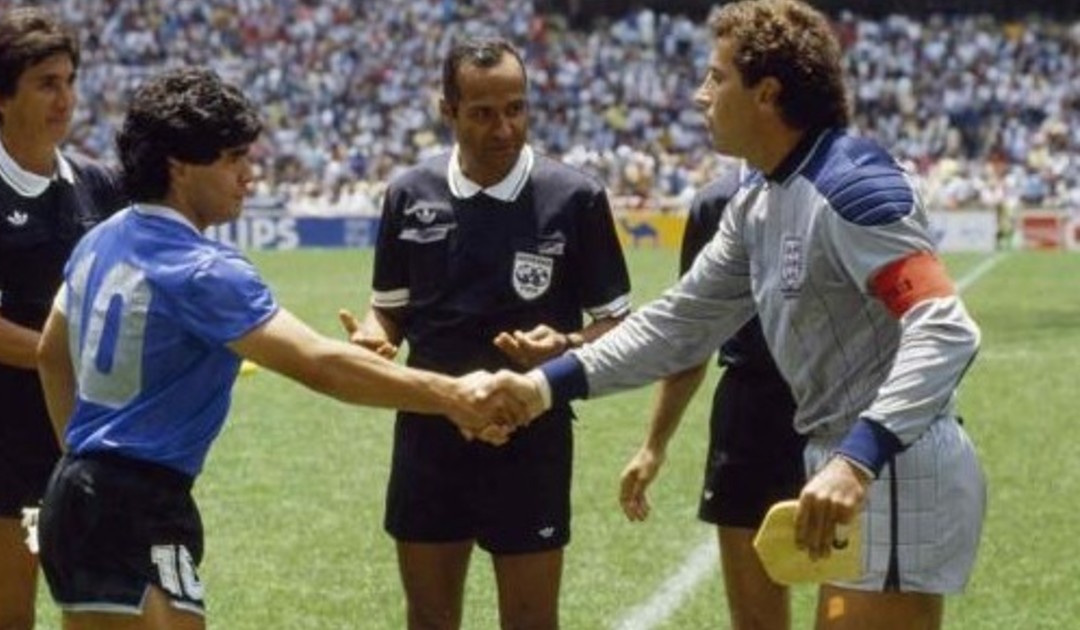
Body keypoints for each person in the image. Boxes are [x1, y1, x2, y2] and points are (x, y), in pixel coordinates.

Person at [496, 2, 987, 628]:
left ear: (767, 93)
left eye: (717, 77)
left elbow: (944, 327)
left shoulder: (853, 186)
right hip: (844, 464)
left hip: (891, 466)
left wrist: (858, 458)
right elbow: (679, 323)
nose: (701, 95)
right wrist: (541, 387)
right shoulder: (758, 195)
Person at [33, 66, 521, 630]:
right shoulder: (204, 270)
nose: (249, 175)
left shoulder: (101, 239)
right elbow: (320, 364)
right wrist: (453, 396)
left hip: (84, 495)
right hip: (133, 506)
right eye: (233, 158)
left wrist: (83, 459)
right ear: (179, 166)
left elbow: (51, 353)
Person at [340, 37, 631, 630]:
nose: (504, 128)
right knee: (429, 618)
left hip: (531, 432)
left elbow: (618, 324)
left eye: (516, 109)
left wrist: (567, 345)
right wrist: (374, 335)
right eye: (483, 113)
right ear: (447, 111)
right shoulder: (409, 193)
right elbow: (388, 310)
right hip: (430, 429)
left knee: (530, 621)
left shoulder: (575, 197)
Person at [0, 8, 123, 629]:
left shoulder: (101, 185)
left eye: (69, 81)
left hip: (94, 436)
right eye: (46, 84)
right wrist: (90, 355)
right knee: (8, 620)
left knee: (95, 615)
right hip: (8, 440)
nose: (66, 99)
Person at [618, 166, 806, 630]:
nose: (709, 129)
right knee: (756, 623)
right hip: (752, 413)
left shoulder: (847, 185)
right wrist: (653, 445)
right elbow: (692, 332)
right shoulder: (715, 201)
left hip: (844, 408)